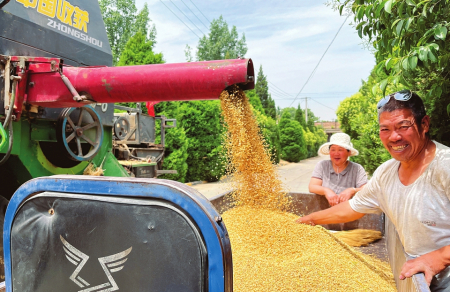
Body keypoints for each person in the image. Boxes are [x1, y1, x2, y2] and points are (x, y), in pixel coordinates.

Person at [296, 90, 450, 291]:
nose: (394, 137)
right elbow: (353, 207)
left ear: (424, 124)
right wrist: (309, 220)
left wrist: (439, 257)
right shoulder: (386, 173)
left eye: (403, 126)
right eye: (385, 129)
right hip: (418, 277)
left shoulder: (445, 166)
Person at [310, 133, 367, 206]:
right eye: (333, 149)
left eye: (340, 150)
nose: (336, 153)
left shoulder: (357, 168)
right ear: (329, 151)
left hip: (348, 212)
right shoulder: (322, 165)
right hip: (324, 210)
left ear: (348, 152)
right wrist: (326, 191)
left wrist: (352, 190)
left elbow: (366, 190)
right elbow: (312, 186)